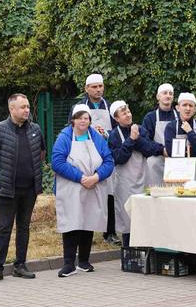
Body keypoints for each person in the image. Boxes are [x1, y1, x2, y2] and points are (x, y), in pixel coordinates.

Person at [0, 93, 46, 284]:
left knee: (24, 227)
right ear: (12, 109)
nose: (27, 110)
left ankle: (20, 265)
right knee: (4, 228)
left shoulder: (35, 129)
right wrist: (0, 173)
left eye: (27, 107)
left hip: (30, 189)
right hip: (7, 189)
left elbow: (40, 153)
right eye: (23, 107)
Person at [52, 104, 114, 277]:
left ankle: (84, 262)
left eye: (86, 118)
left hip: (93, 185)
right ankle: (68, 263)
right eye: (79, 117)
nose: (83, 121)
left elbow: (109, 160)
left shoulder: (96, 137)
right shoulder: (64, 137)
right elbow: (57, 162)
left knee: (89, 221)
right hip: (71, 186)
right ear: (73, 120)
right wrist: (80, 177)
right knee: (72, 223)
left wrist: (96, 177)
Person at [71, 73, 120, 245]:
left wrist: (107, 135)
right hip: (85, 154)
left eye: (100, 86)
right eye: (94, 87)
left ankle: (110, 232)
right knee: (86, 195)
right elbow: (74, 130)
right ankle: (85, 232)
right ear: (86, 89)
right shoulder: (80, 107)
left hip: (106, 153)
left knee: (109, 194)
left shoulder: (110, 106)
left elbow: (117, 131)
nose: (98, 90)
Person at [108, 101, 164, 247]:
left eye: (128, 112)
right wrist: (131, 140)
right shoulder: (114, 135)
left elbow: (149, 149)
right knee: (127, 216)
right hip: (124, 181)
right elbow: (119, 158)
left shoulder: (139, 129)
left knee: (145, 212)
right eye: (124, 114)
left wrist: (137, 138)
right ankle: (128, 248)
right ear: (116, 119)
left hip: (143, 176)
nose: (128, 115)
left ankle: (146, 247)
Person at [164, 92, 196, 181]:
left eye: (191, 105)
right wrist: (193, 150)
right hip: (176, 170)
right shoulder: (171, 127)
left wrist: (190, 132)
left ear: (195, 109)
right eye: (184, 105)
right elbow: (170, 151)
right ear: (178, 108)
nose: (188, 108)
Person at [142, 83, 178, 186]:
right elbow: (145, 142)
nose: (168, 95)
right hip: (156, 162)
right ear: (158, 97)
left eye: (170, 93)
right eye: (165, 93)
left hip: (177, 162)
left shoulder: (179, 117)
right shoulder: (150, 117)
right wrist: (162, 150)